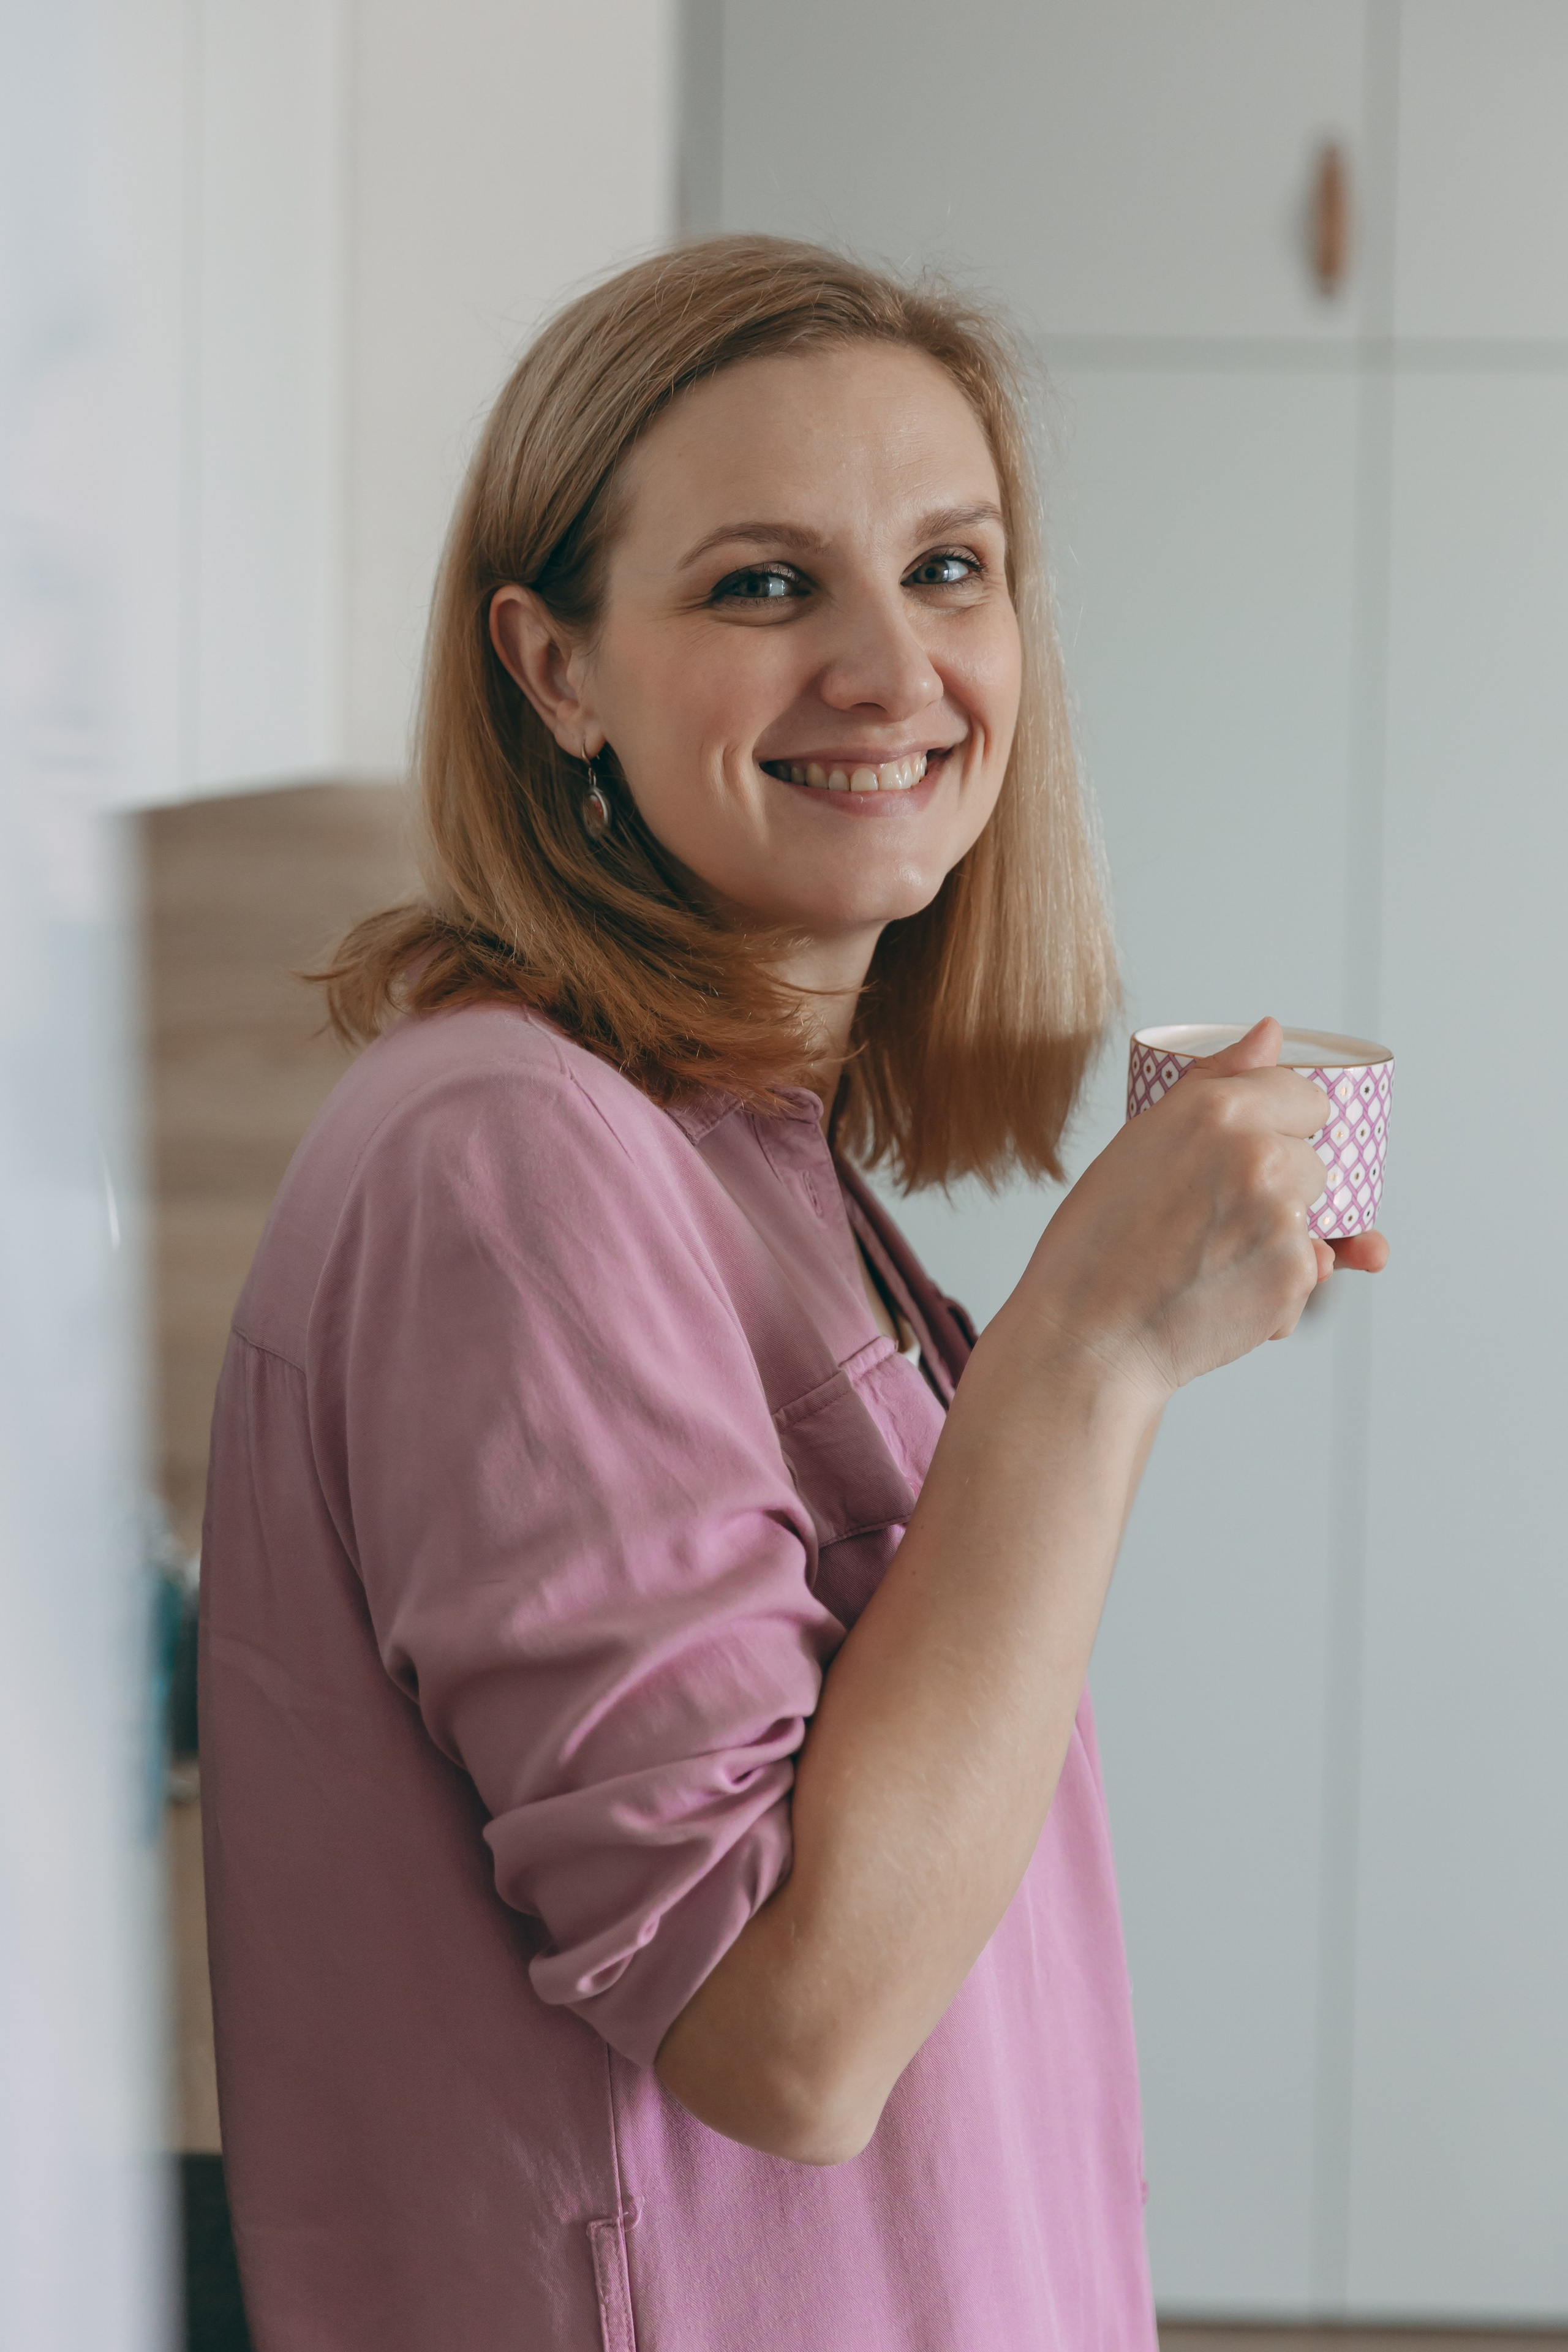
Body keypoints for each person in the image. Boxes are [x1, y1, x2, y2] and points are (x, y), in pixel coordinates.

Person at [199, 235, 1387, 2351]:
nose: (891, 671)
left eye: (951, 569)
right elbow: (787, 2035)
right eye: (764, 585)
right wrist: (1092, 1347)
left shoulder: (752, 1165)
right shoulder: (508, 1161)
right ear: (552, 666)